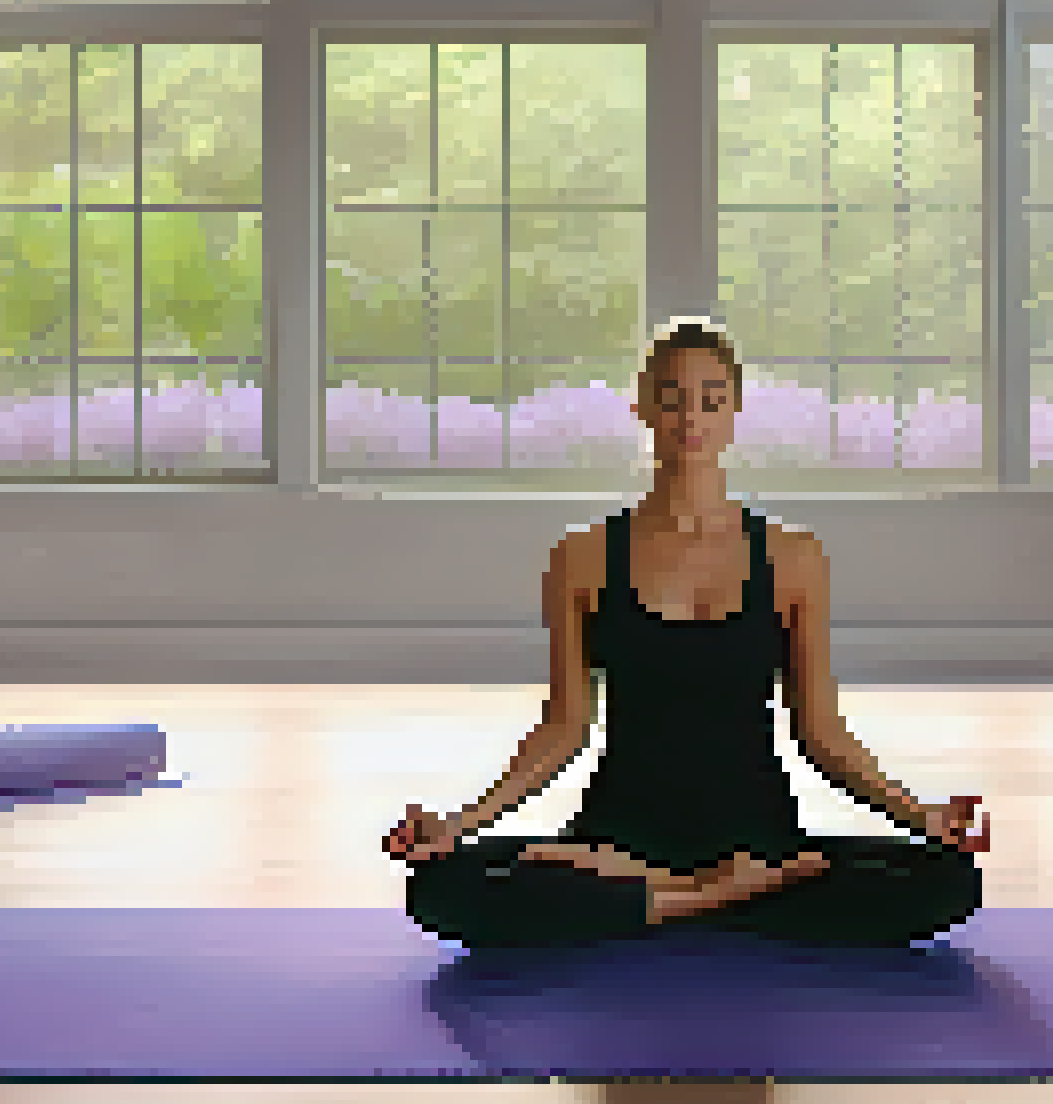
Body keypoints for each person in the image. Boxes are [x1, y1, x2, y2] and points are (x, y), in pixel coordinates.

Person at [387, 319, 990, 950]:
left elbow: (821, 735)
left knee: (948, 883)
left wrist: (923, 817)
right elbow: (564, 727)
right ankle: (728, 895)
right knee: (438, 887)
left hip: (756, 833)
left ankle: (646, 899)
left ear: (734, 411)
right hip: (619, 837)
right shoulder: (581, 558)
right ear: (642, 405)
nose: (690, 418)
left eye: (710, 400)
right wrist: (461, 825)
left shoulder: (794, 558)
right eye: (671, 398)